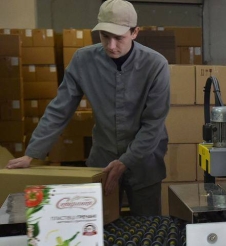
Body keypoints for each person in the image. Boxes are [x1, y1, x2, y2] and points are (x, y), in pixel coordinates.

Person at [5, 0, 170, 216]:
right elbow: (59, 109)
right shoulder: (83, 61)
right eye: (104, 37)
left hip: (145, 161)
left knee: (148, 230)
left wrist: (125, 162)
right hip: (102, 159)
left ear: (134, 32)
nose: (111, 46)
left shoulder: (156, 65)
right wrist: (32, 153)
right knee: (100, 230)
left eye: (118, 38)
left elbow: (153, 124)